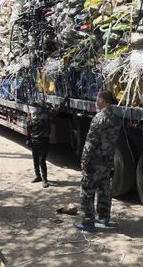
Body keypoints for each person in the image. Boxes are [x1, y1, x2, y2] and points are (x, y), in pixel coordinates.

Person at [76, 90, 121, 232]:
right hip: (107, 160)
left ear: (103, 99)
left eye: (98, 98)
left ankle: (88, 222)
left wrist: (84, 159)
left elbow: (90, 142)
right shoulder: (115, 118)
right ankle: (104, 218)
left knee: (87, 190)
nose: (96, 100)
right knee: (104, 189)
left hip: (95, 161)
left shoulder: (99, 118)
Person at [26, 99, 68, 188]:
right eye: (36, 106)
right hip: (34, 140)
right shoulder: (32, 115)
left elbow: (57, 110)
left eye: (38, 106)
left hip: (43, 140)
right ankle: (38, 176)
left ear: (42, 106)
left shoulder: (47, 114)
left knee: (42, 160)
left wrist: (63, 102)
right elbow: (28, 127)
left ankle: (44, 179)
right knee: (35, 159)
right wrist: (28, 138)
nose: (37, 108)